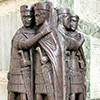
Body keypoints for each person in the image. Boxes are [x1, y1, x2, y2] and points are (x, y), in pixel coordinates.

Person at [7, 4, 50, 100]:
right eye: (24, 17)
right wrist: (43, 33)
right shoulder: (19, 34)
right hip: (19, 72)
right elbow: (26, 44)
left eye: (29, 17)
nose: (27, 20)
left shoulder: (36, 30)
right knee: (22, 94)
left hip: (33, 72)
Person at [34, 2, 63, 100]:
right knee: (38, 95)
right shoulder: (40, 30)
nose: (35, 19)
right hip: (38, 72)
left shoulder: (48, 31)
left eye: (37, 16)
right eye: (35, 16)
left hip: (47, 72)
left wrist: (46, 58)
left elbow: (57, 51)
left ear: (44, 15)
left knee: (49, 95)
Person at [64, 14, 86, 100]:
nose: (73, 24)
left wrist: (82, 63)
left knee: (80, 91)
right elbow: (73, 46)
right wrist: (81, 41)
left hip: (78, 68)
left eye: (75, 21)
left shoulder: (79, 35)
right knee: (72, 92)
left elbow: (80, 52)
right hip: (70, 67)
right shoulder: (66, 35)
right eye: (71, 21)